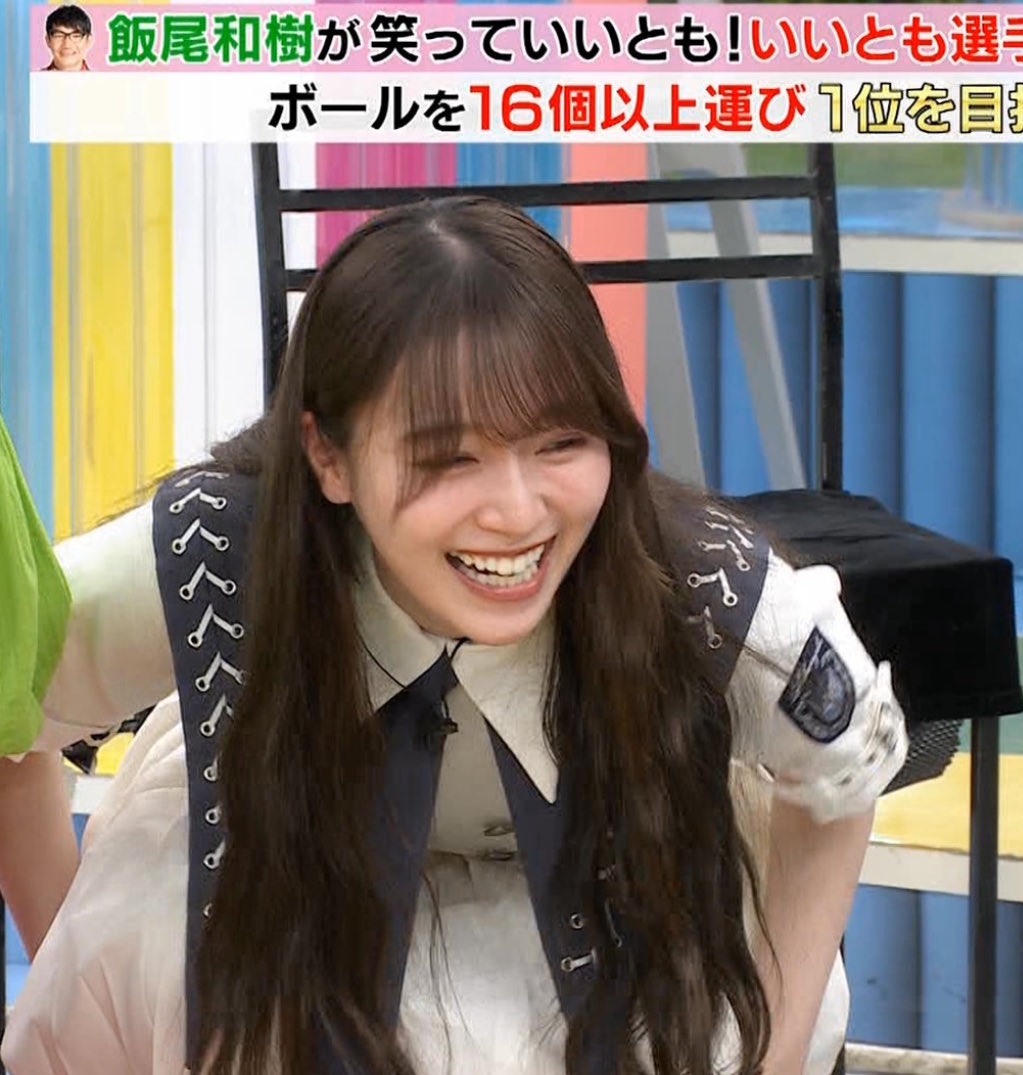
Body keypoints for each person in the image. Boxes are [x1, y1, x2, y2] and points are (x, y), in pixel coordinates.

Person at [0, 197, 907, 1075]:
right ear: (327, 455)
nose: (516, 512)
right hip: (288, 863)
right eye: (448, 457)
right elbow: (12, 713)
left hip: (621, 865)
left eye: (560, 443)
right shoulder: (215, 556)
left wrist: (776, 1057)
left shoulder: (707, 593)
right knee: (176, 955)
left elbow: (841, 769)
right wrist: (70, 960)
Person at [41, 5, 92, 72]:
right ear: (48, 40)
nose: (67, 44)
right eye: (59, 35)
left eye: (76, 36)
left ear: (88, 40)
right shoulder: (33, 78)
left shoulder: (100, 79)